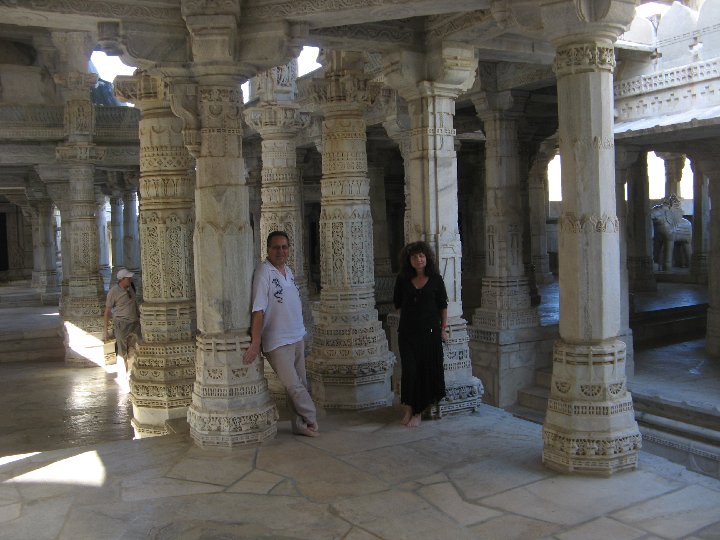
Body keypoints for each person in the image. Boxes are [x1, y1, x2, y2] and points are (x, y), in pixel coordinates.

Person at [243, 231, 319, 437]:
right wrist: (255, 342)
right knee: (294, 386)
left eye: (284, 247)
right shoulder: (264, 272)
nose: (281, 251)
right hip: (277, 342)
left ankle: (300, 425)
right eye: (276, 247)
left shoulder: (288, 271)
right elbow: (258, 309)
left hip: (296, 336)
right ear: (267, 250)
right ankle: (312, 418)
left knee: (300, 384)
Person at [393, 241, 448, 428]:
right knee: (410, 371)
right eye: (415, 256)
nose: (419, 259)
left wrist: (443, 329)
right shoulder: (402, 280)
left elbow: (443, 306)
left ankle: (417, 411)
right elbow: (399, 304)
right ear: (409, 260)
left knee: (424, 371)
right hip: (408, 334)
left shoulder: (436, 280)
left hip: (430, 335)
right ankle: (409, 407)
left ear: (427, 258)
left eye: (422, 256)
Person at [103, 268, 141, 363]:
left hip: (134, 323)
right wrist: (105, 331)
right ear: (122, 279)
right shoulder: (113, 292)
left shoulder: (131, 288)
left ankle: (131, 372)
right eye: (128, 278)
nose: (130, 280)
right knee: (122, 351)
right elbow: (107, 311)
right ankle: (122, 374)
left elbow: (134, 303)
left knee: (135, 349)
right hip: (122, 324)